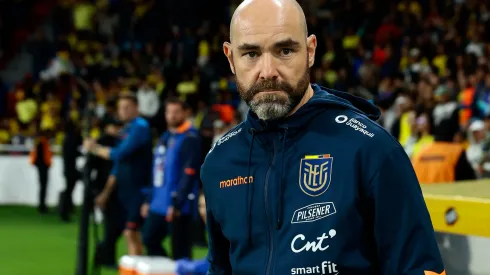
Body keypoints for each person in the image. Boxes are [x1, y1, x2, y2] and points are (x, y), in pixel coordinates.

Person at [200, 0, 446, 274]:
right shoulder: (219, 162)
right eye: (251, 54)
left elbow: (419, 268)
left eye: (284, 50)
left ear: (310, 51)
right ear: (230, 58)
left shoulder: (370, 149)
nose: (267, 71)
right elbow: (220, 267)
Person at [83, 93, 153, 255]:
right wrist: (106, 192)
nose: (123, 111)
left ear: (136, 108)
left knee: (132, 232)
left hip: (138, 189)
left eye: (127, 107)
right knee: (129, 234)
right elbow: (118, 165)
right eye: (121, 108)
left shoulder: (140, 126)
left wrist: (94, 148)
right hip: (125, 190)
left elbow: (119, 154)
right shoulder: (127, 129)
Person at [141, 97, 201, 259]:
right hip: (157, 203)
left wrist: (177, 203)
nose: (172, 116)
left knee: (180, 251)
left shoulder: (190, 138)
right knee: (148, 238)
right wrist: (148, 199)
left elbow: (188, 174)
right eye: (169, 112)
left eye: (176, 112)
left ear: (185, 113)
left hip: (177, 206)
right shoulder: (165, 137)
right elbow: (156, 171)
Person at [175, 192, 210, 275]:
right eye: (200, 206)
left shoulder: (223, 229)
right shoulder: (209, 227)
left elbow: (218, 263)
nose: (203, 212)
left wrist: (192, 267)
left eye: (206, 206)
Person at [29, 130, 52, 214]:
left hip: (42, 167)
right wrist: (44, 166)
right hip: (43, 168)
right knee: (43, 187)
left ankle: (42, 205)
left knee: (43, 187)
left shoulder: (41, 143)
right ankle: (42, 206)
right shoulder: (42, 143)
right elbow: (41, 157)